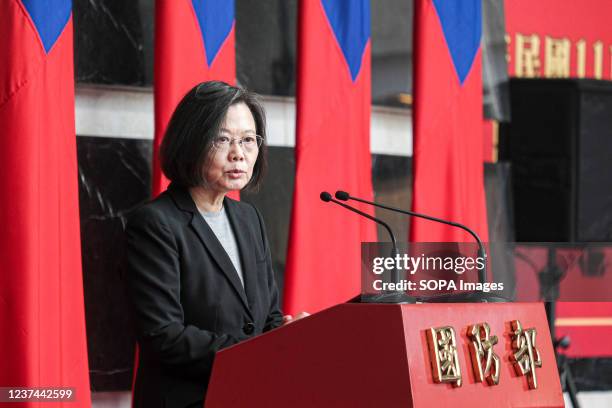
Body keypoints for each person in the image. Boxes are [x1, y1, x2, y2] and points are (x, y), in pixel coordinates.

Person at [125, 81, 306, 408]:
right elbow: (163, 336)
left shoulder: (248, 218)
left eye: (248, 140)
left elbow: (267, 319)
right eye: (223, 139)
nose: (239, 153)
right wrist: (257, 351)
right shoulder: (156, 224)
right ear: (191, 142)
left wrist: (289, 335)